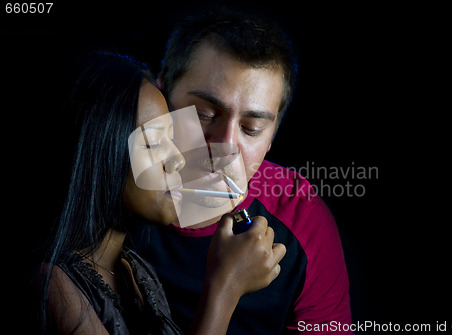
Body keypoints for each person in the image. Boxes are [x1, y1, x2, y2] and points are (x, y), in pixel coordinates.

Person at [127, 8, 352, 334]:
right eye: (205, 114)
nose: (225, 145)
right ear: (159, 97)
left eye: (251, 128)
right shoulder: (107, 188)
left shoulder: (301, 217)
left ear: (272, 136)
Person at [37, 51, 286, 334]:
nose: (178, 159)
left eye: (172, 138)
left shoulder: (137, 272)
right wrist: (225, 288)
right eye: (153, 144)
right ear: (99, 154)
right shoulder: (53, 286)